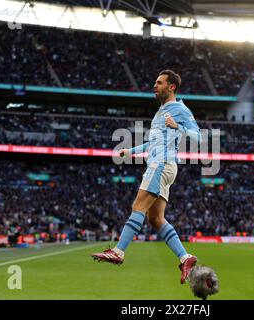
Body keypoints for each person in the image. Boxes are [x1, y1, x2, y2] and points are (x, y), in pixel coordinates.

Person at [92, 69, 201, 284]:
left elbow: (198, 136)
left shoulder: (179, 109)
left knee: (138, 206)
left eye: (159, 83)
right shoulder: (161, 111)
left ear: (171, 87)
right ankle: (185, 257)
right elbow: (153, 143)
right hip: (162, 165)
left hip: (160, 165)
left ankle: (119, 251)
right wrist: (130, 151)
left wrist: (177, 126)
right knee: (155, 218)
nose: (155, 86)